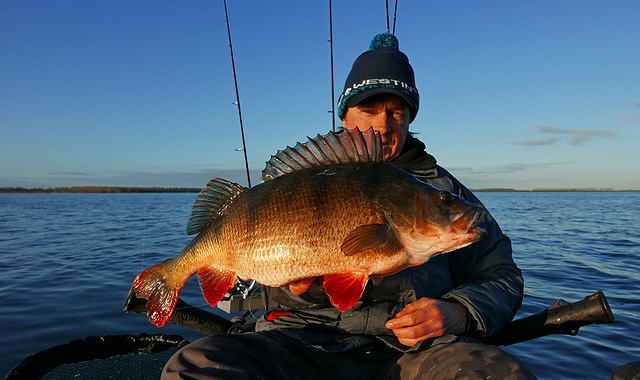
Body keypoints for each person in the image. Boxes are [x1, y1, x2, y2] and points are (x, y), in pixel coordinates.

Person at [162, 33, 536, 379]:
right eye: (369, 110)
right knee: (192, 366)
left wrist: (459, 312)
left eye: (397, 112)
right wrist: (293, 289)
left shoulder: (445, 192)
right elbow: (271, 261)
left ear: (409, 121)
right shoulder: (303, 180)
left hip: (413, 352)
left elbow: (502, 275)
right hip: (298, 340)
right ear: (345, 116)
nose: (384, 125)